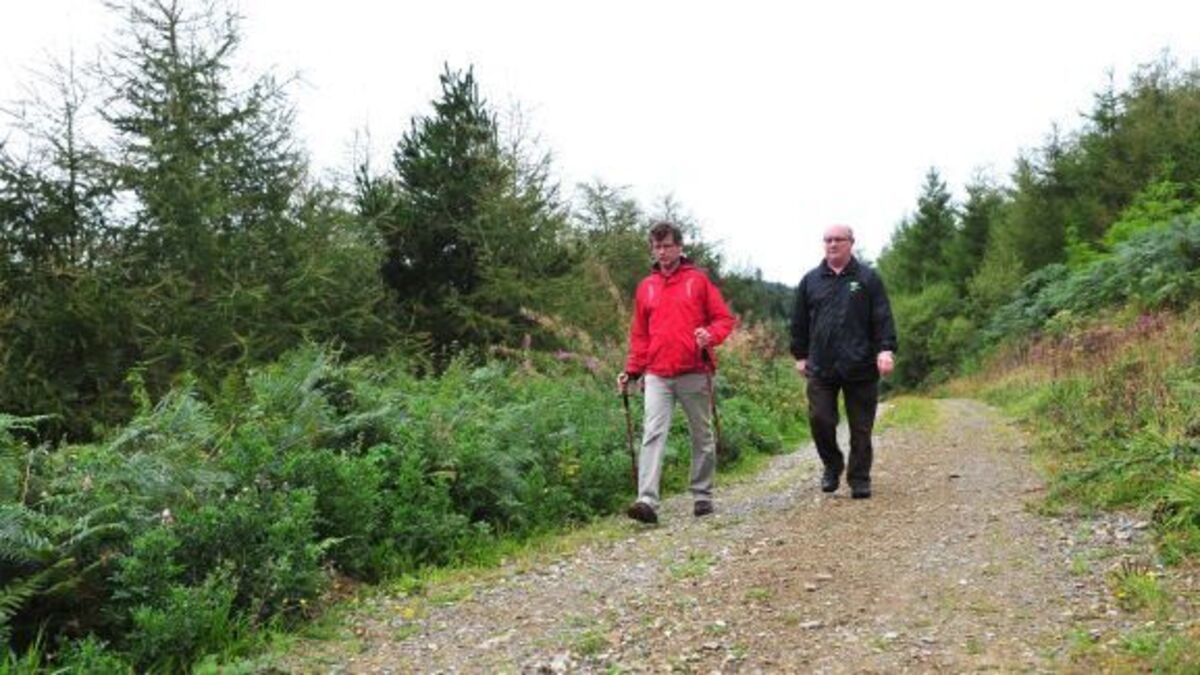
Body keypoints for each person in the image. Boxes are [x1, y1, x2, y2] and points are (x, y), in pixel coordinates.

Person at [618, 220, 736, 524]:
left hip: (694, 369)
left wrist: (710, 335)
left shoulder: (697, 280)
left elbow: (724, 319)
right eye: (657, 246)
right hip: (656, 373)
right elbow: (640, 335)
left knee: (701, 433)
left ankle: (702, 494)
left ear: (679, 247)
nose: (662, 252)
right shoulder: (646, 287)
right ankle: (646, 501)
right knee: (653, 433)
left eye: (667, 246)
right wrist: (632, 371)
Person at [790, 224, 897, 499]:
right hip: (821, 365)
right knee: (820, 419)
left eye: (838, 239)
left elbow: (882, 317)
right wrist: (800, 355)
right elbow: (799, 322)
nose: (832, 244)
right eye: (828, 240)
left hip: (861, 365)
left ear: (851, 243)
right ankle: (832, 465)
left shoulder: (868, 278)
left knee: (861, 427)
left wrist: (885, 350)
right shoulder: (810, 280)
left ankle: (859, 478)